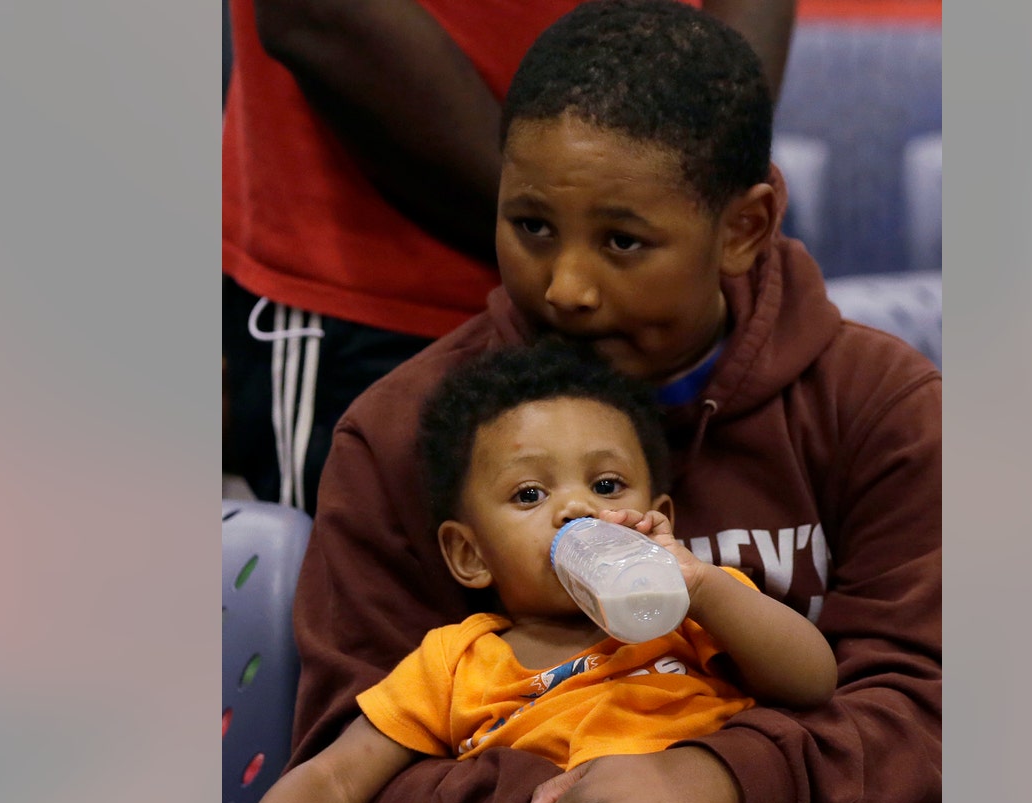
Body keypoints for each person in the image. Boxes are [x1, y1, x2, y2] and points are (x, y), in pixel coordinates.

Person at [230, 0, 942, 803]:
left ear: (744, 226)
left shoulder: (877, 400)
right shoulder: (404, 431)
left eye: (622, 241)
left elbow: (924, 702)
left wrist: (710, 785)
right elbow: (353, 764)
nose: (565, 285)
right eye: (531, 227)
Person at [225, 342, 875, 803]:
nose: (575, 509)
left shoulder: (691, 612)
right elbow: (338, 776)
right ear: (470, 556)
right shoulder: (457, 658)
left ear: (658, 517)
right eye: (529, 495)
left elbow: (812, 677)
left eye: (606, 484)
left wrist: (704, 586)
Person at [222, 0, 792, 513]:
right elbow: (318, 15)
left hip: (671, 319)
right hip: (377, 296)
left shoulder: (860, 395)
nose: (566, 289)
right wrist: (597, 226)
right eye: (532, 225)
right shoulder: (379, 429)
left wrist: (689, 199)